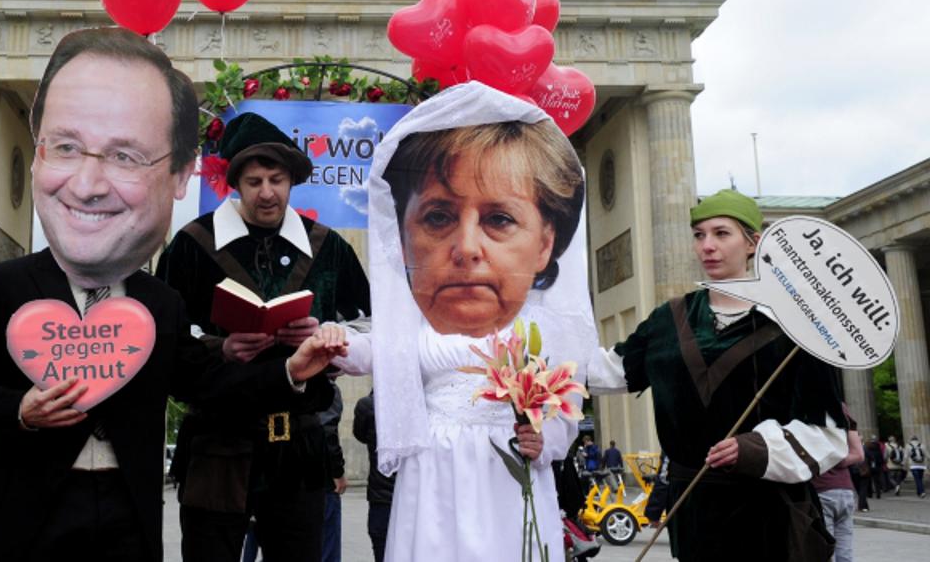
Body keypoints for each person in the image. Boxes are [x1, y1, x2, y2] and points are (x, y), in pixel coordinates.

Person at [0, 27, 347, 562]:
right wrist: (20, 409)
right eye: (67, 147)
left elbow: (206, 382)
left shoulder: (160, 302)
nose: (90, 184)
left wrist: (290, 372)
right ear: (39, 154)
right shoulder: (6, 285)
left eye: (126, 157)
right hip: (29, 505)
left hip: (126, 512)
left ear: (179, 176)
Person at [333, 83, 595, 562]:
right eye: (438, 217)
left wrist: (546, 439)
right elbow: (374, 350)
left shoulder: (541, 326)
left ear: (545, 242)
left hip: (509, 469)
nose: (467, 248)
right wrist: (329, 340)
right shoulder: (417, 319)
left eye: (498, 219)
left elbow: (567, 398)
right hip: (432, 471)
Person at [587, 188, 848, 562]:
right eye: (699, 235)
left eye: (722, 234)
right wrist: (531, 365)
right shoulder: (669, 319)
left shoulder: (795, 327)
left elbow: (829, 433)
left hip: (768, 516)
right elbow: (608, 370)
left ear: (753, 243)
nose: (707, 245)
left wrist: (757, 448)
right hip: (694, 513)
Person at [156, 111, 370, 562]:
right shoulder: (192, 245)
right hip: (218, 445)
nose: (267, 192)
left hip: (299, 448)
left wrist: (328, 335)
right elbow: (163, 342)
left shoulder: (329, 247)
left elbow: (372, 326)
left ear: (292, 181)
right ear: (235, 183)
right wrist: (221, 347)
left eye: (276, 179)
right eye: (254, 181)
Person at [811, 407, 863, 562]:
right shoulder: (843, 412)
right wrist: (838, 459)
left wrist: (825, 461)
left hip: (821, 488)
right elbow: (859, 454)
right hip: (845, 489)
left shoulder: (807, 409)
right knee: (845, 550)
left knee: (826, 550)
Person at [352, 390, 395, 562]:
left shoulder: (368, 405)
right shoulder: (420, 403)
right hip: (411, 495)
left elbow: (360, 434)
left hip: (381, 495)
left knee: (381, 550)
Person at [319, 382, 346, 562]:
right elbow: (327, 431)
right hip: (322, 478)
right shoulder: (326, 389)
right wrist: (337, 472)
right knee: (328, 543)